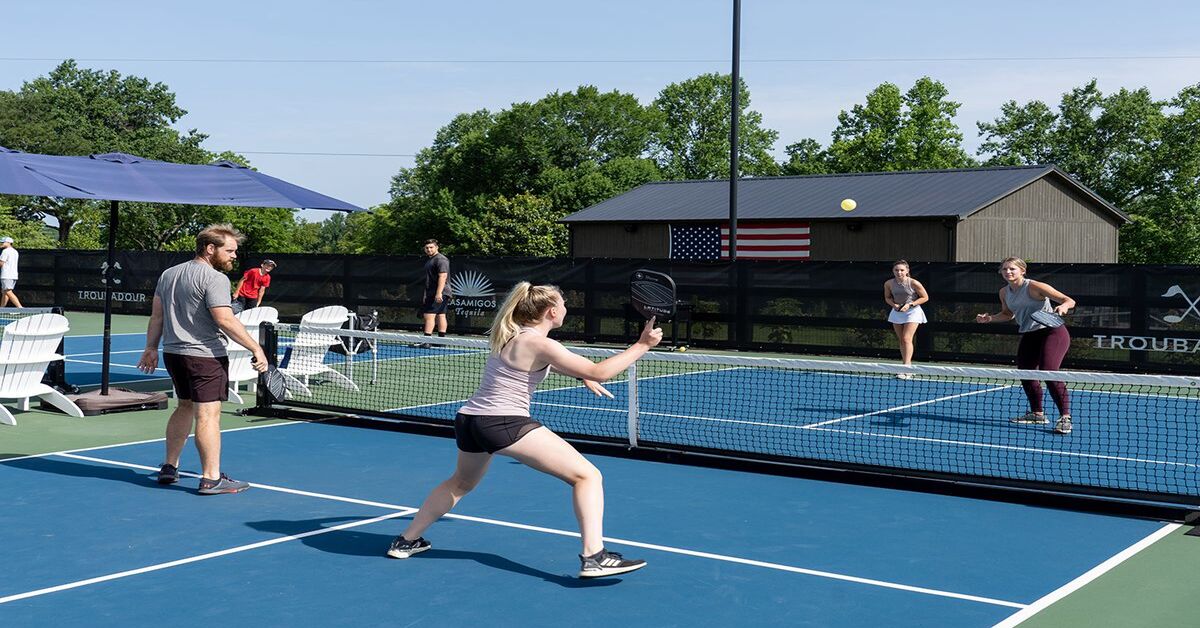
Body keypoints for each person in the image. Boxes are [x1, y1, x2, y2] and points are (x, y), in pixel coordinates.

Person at [388, 282, 663, 579]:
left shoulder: (510, 334)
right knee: (588, 476)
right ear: (552, 311)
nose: (567, 309)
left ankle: (407, 540)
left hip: (470, 420)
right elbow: (600, 371)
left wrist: (581, 375)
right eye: (564, 304)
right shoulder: (540, 343)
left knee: (460, 484)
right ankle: (594, 556)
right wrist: (642, 345)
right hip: (503, 422)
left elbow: (543, 364)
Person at [136, 224, 268, 494]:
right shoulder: (216, 279)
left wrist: (150, 347)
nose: (234, 256)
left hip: (174, 354)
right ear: (210, 249)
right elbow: (224, 319)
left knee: (184, 406)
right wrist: (256, 348)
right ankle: (211, 478)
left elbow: (157, 316)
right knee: (207, 415)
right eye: (229, 251)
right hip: (205, 357)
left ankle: (169, 467)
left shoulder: (168, 274)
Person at [975, 257, 1076, 434]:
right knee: (1026, 373)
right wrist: (989, 318)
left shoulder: (1035, 286)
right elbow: (1007, 314)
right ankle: (1037, 414)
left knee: (1048, 372)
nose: (1008, 272)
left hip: (1053, 332)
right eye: (1004, 269)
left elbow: (1068, 300)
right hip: (1030, 334)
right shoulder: (1004, 292)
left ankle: (1065, 418)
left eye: (1012, 269)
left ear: (1023, 270)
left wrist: (1063, 307)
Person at [883, 260, 928, 377]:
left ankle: (907, 368)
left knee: (906, 338)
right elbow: (887, 298)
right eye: (896, 270)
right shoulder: (888, 284)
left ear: (907, 271)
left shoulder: (914, 283)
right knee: (902, 340)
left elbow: (925, 297)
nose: (899, 272)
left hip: (913, 311)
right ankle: (905, 364)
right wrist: (894, 305)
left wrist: (910, 304)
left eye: (902, 270)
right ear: (893, 271)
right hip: (897, 312)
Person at [419, 239, 450, 344]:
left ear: (437, 247)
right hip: (434, 292)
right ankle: (441, 341)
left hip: (439, 292)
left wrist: (438, 293)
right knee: (441, 314)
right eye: (427, 248)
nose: (429, 249)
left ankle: (426, 341)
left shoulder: (441, 259)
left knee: (429, 315)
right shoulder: (430, 260)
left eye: (431, 247)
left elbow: (443, 276)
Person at [0, 236, 22, 308]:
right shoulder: (15, 251)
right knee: (4, 292)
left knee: (8, 292)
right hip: (13, 275)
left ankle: (20, 308)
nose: (1, 243)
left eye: (3, 242)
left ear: (9, 243)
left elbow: (1, 263)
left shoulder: (5, 251)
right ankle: (2, 309)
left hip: (6, 275)